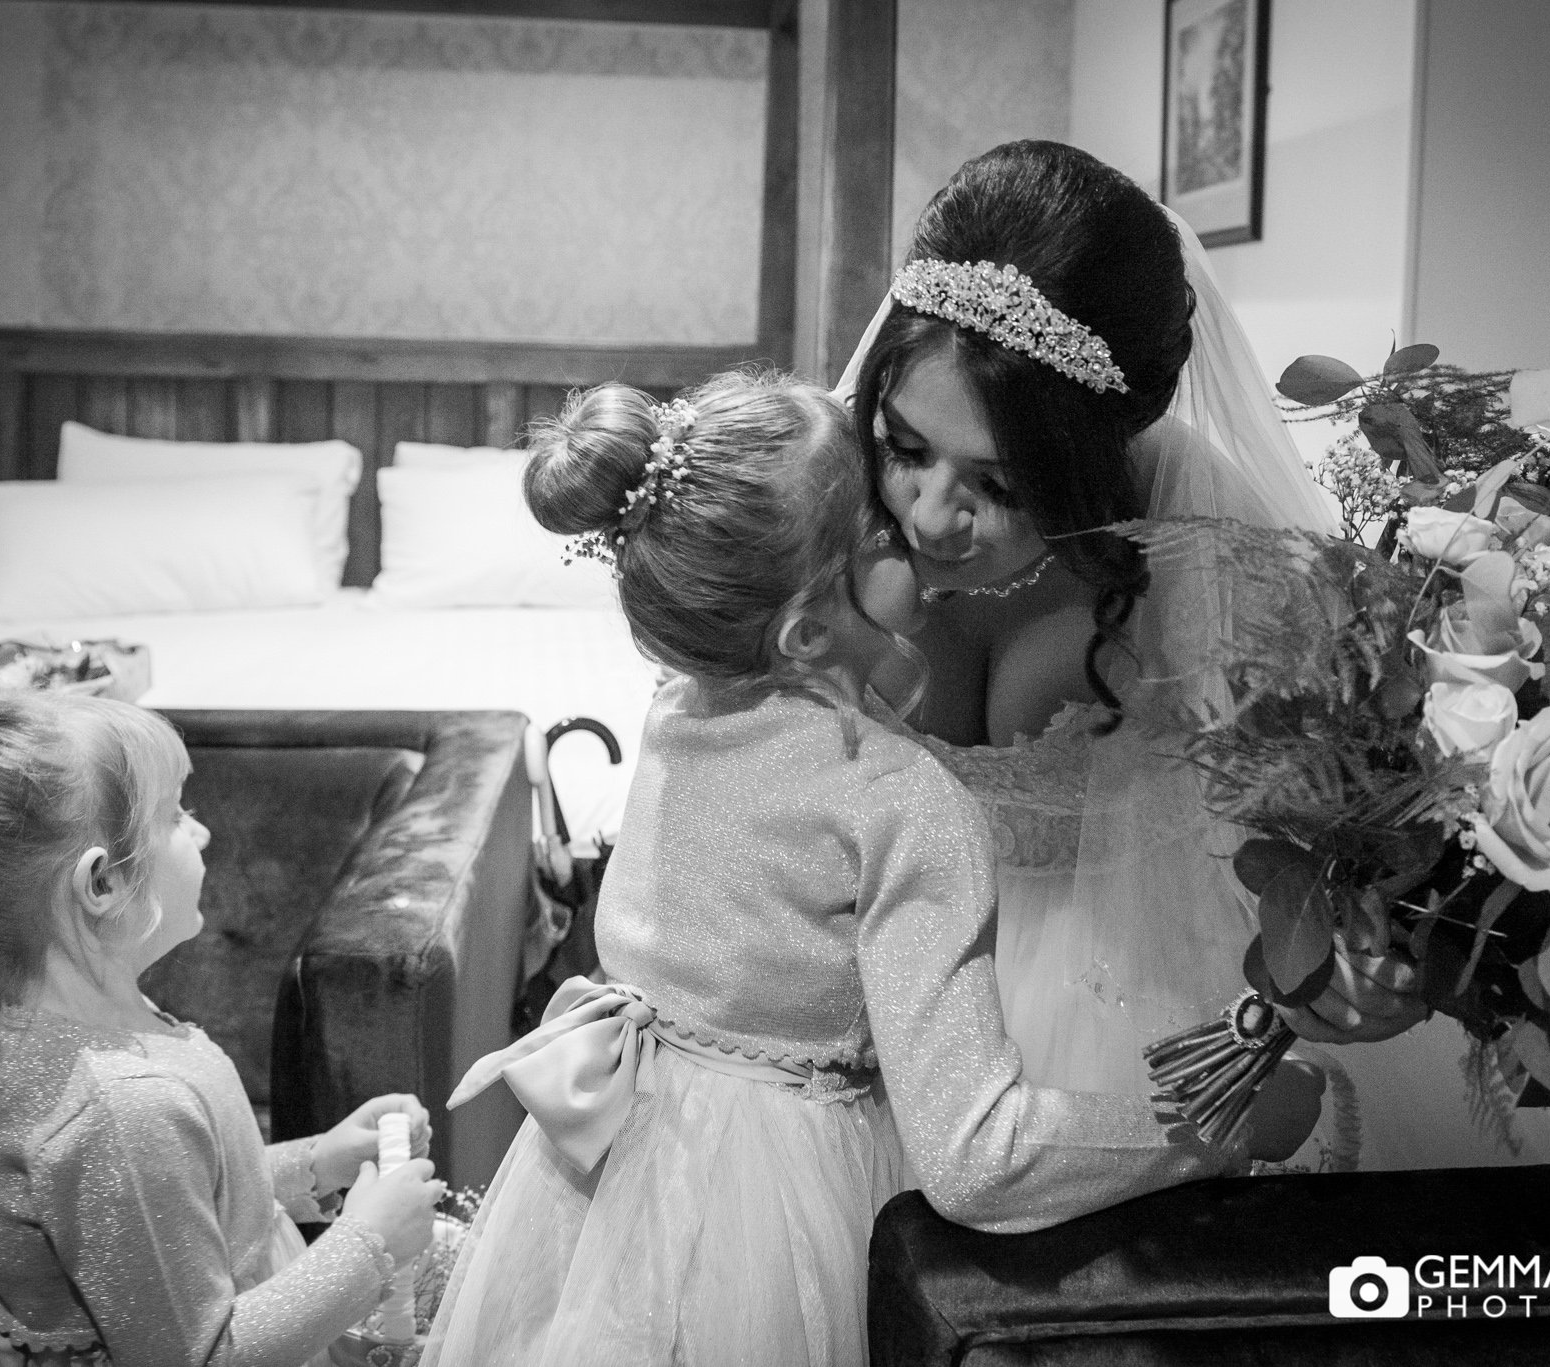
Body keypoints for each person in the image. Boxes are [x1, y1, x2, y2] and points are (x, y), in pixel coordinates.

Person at [420, 371, 1322, 1367]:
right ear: (806, 630)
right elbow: (977, 1155)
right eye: (882, 525)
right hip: (780, 1213)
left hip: (623, 1176)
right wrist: (1221, 1121)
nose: (921, 522)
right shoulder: (899, 799)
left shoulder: (680, 705)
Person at [842, 139, 1550, 1171]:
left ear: (1094, 456)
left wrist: (1354, 966)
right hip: (858, 1002)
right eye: (903, 446)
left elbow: (1342, 852)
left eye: (1001, 486)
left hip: (1120, 1013)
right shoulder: (808, 511)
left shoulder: (1212, 565)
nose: (930, 515)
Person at [0, 672, 445, 1366]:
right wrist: (369, 1242)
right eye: (176, 814)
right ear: (102, 883)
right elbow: (203, 1354)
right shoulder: (120, 1107)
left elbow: (182, 1200)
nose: (202, 830)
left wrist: (317, 1160)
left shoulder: (70, 1030)